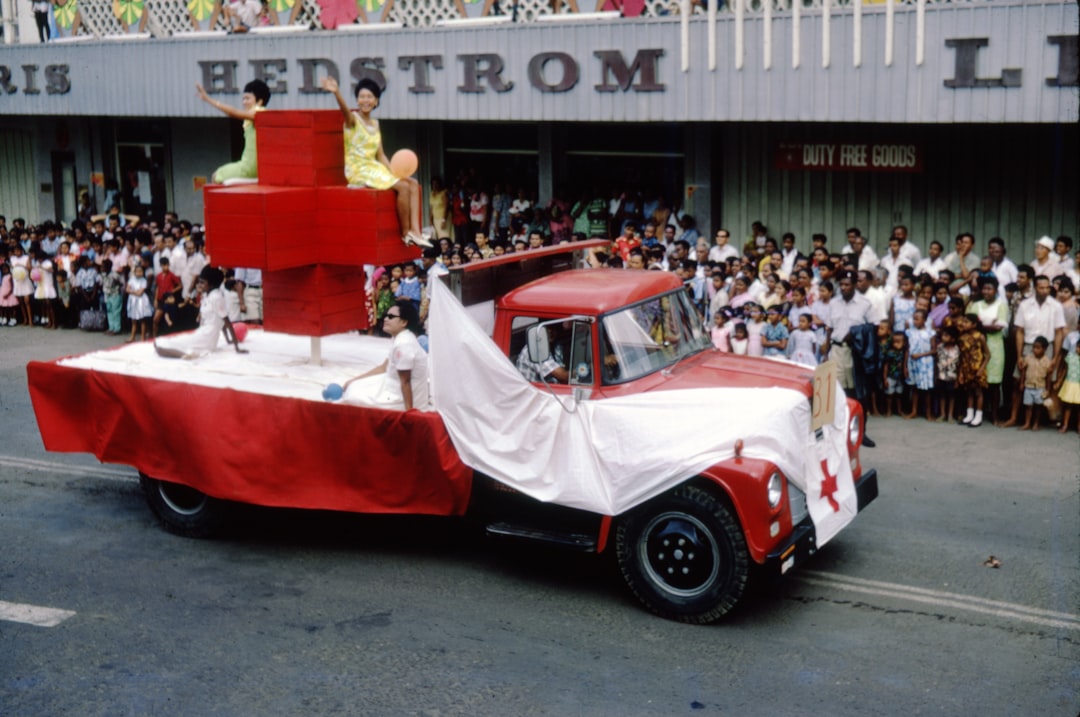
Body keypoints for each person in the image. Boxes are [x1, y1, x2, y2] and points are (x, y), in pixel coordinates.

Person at [320, 76, 430, 248]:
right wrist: (337, 93)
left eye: (369, 97)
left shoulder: (375, 124)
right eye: (362, 96)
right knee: (402, 187)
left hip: (374, 167)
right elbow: (344, 111)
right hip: (358, 170)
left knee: (412, 183)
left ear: (376, 101)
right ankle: (405, 232)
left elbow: (381, 155)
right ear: (357, 100)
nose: (365, 100)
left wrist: (394, 172)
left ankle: (416, 232)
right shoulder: (352, 120)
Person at [340, 300, 430, 411]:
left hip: (401, 397)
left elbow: (406, 382)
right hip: (391, 384)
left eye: (391, 316)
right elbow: (384, 367)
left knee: (353, 397)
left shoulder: (404, 344)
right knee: (353, 387)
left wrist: (410, 413)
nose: (386, 319)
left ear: (403, 322)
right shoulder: (399, 337)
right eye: (386, 315)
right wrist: (354, 380)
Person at [154, 266, 246, 359]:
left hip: (207, 338)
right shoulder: (207, 296)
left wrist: (236, 347)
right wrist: (228, 340)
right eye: (199, 282)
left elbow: (226, 322)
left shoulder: (216, 297)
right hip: (202, 333)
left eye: (202, 282)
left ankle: (186, 354)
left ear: (211, 284)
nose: (199, 285)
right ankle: (186, 354)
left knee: (160, 345)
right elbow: (221, 323)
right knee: (158, 344)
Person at [196, 79, 270, 184]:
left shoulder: (259, 111)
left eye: (247, 98)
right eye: (243, 99)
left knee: (216, 175)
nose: (244, 102)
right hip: (257, 167)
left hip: (250, 168)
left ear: (259, 101)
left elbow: (233, 112)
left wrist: (208, 99)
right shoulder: (257, 115)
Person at [956, 313, 990, 427]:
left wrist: (981, 369)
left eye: (966, 322)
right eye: (963, 322)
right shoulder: (962, 337)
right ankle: (969, 415)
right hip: (966, 368)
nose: (963, 324)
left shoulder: (980, 336)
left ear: (974, 324)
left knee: (978, 392)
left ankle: (978, 416)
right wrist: (960, 371)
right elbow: (961, 356)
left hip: (977, 368)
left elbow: (988, 355)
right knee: (969, 391)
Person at [904, 309, 935, 420]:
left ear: (925, 320)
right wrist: (905, 366)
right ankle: (914, 411)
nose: (914, 321)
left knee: (926, 390)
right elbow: (907, 349)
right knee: (914, 388)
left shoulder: (930, 333)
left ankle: (928, 412)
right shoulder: (910, 332)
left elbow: (934, 350)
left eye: (917, 319)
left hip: (925, 363)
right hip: (912, 363)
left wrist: (920, 355)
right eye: (914, 318)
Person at [1018, 336, 1053, 431]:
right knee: (1028, 406)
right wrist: (1021, 383)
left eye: (1038, 348)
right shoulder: (1028, 358)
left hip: (1040, 387)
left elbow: (1048, 377)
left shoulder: (1047, 361)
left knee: (1038, 406)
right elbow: (1024, 372)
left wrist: (1048, 389)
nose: (1035, 350)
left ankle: (1036, 423)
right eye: (1034, 347)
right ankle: (1027, 423)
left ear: (1044, 349)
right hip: (1028, 386)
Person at [1055, 340, 1080, 434]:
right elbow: (1065, 369)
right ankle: (1065, 424)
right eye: (1078, 347)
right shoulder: (1070, 357)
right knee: (1068, 406)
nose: (1078, 349)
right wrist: (1060, 380)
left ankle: (1079, 426)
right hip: (1070, 383)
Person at [125, 265, 152, 343]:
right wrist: (135, 292)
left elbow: (140, 293)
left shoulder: (144, 281)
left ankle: (143, 337)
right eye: (137, 271)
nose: (139, 273)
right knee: (133, 319)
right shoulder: (131, 279)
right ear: (134, 272)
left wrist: (133, 291)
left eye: (140, 271)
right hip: (133, 300)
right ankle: (132, 336)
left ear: (143, 272)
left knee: (142, 320)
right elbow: (127, 289)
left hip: (141, 301)